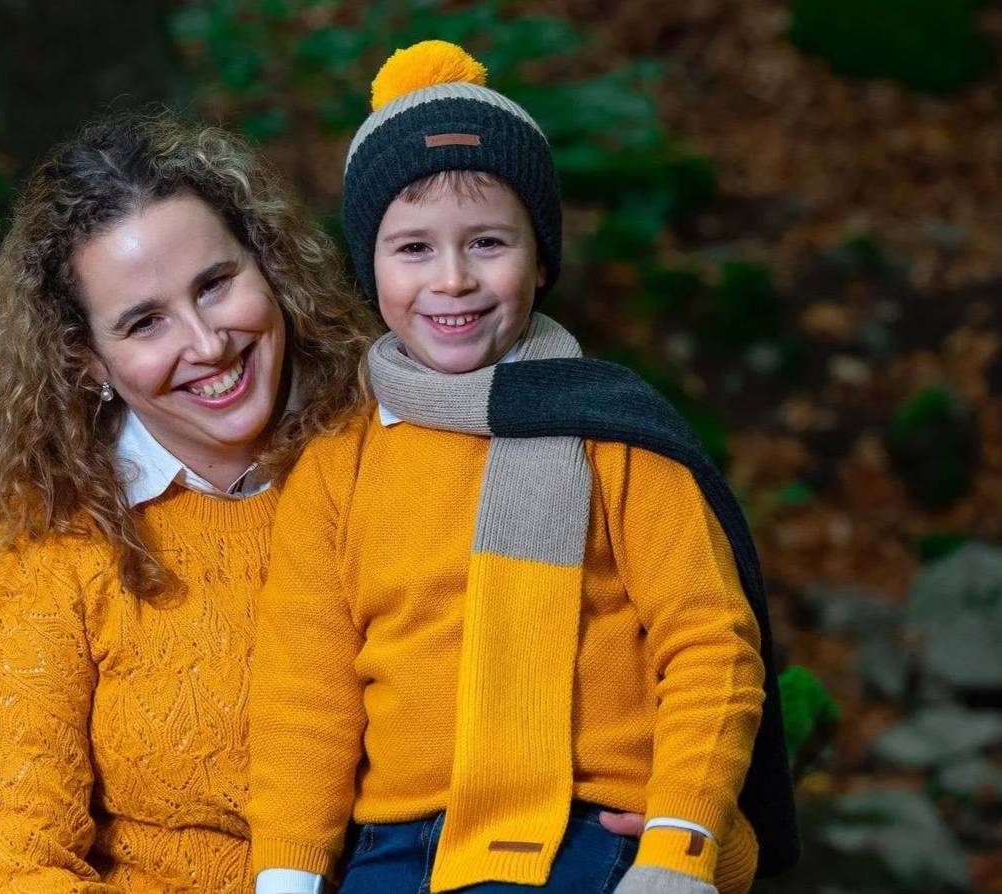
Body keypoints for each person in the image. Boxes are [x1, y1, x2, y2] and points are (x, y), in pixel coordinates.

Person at [247, 41, 798, 894]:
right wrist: (285, 878)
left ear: (539, 259)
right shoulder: (338, 464)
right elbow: (304, 700)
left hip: (581, 831)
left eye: (488, 242)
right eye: (413, 249)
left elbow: (709, 643)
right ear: (371, 268)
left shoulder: (612, 433)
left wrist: (681, 840)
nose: (453, 280)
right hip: (390, 851)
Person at [0, 109, 380, 894]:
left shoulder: (391, 450)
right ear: (86, 361)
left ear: (268, 265)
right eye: (145, 322)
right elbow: (15, 865)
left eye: (215, 285)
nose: (207, 345)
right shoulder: (53, 542)